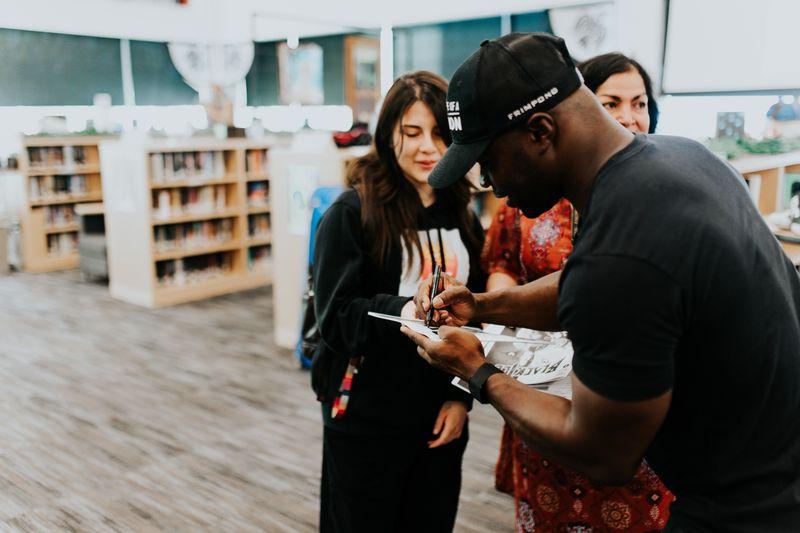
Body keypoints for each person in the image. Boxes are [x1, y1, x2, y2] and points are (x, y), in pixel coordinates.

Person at [402, 33, 800, 532]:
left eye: (487, 158)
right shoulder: (679, 160)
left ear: (541, 131)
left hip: (745, 512)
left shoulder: (623, 251)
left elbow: (602, 452)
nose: (487, 181)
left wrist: (476, 370)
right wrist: (482, 306)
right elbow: (581, 283)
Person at [486, 52, 673, 531]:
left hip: (625, 397)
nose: (630, 117)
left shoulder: (655, 200)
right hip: (539, 383)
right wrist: (496, 315)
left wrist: (477, 371)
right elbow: (502, 261)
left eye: (640, 103)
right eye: (613, 102)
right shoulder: (530, 190)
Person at [311, 70, 486, 532]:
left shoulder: (463, 215)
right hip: (367, 414)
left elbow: (477, 316)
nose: (428, 146)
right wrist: (405, 309)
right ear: (389, 133)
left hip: (439, 413)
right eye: (412, 132)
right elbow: (337, 318)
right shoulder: (351, 213)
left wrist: (461, 398)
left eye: (439, 134)